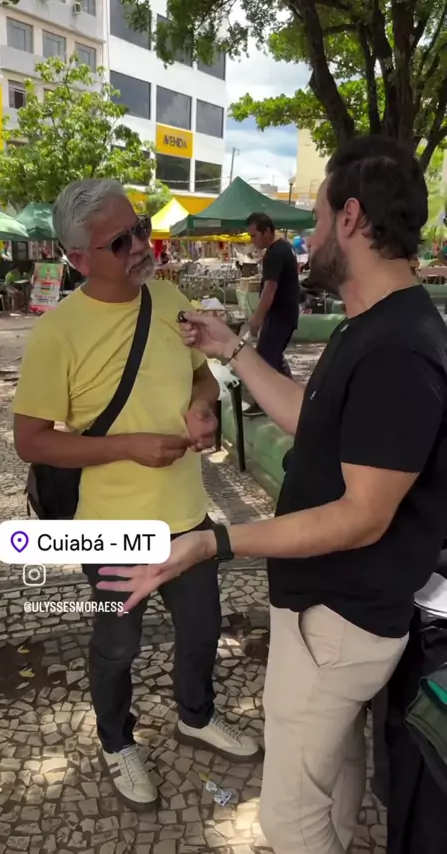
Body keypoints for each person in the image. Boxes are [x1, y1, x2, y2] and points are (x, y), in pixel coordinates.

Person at [97, 137, 447, 854]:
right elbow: (308, 418)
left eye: (315, 220)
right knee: (332, 777)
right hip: (330, 610)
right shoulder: (372, 325)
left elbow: (360, 517)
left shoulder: (399, 349)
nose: (307, 238)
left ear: (351, 218)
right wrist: (231, 349)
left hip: (340, 617)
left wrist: (216, 541)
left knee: (289, 821)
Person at [12, 179, 260, 812]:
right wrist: (129, 446)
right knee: (118, 646)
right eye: (119, 242)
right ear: (78, 258)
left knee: (202, 629)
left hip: (187, 515)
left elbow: (204, 378)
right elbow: (30, 440)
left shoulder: (169, 298)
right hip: (112, 527)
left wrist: (203, 409)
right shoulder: (59, 334)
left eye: (140, 228)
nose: (140, 246)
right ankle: (116, 740)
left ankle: (195, 715)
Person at [244, 213, 299, 416]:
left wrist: (257, 317)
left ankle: (265, 403)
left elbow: (270, 288)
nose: (252, 241)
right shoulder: (284, 248)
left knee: (265, 359)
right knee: (273, 357)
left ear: (267, 231)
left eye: (254, 235)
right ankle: (294, 401)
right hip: (285, 314)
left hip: (279, 315)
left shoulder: (275, 253)